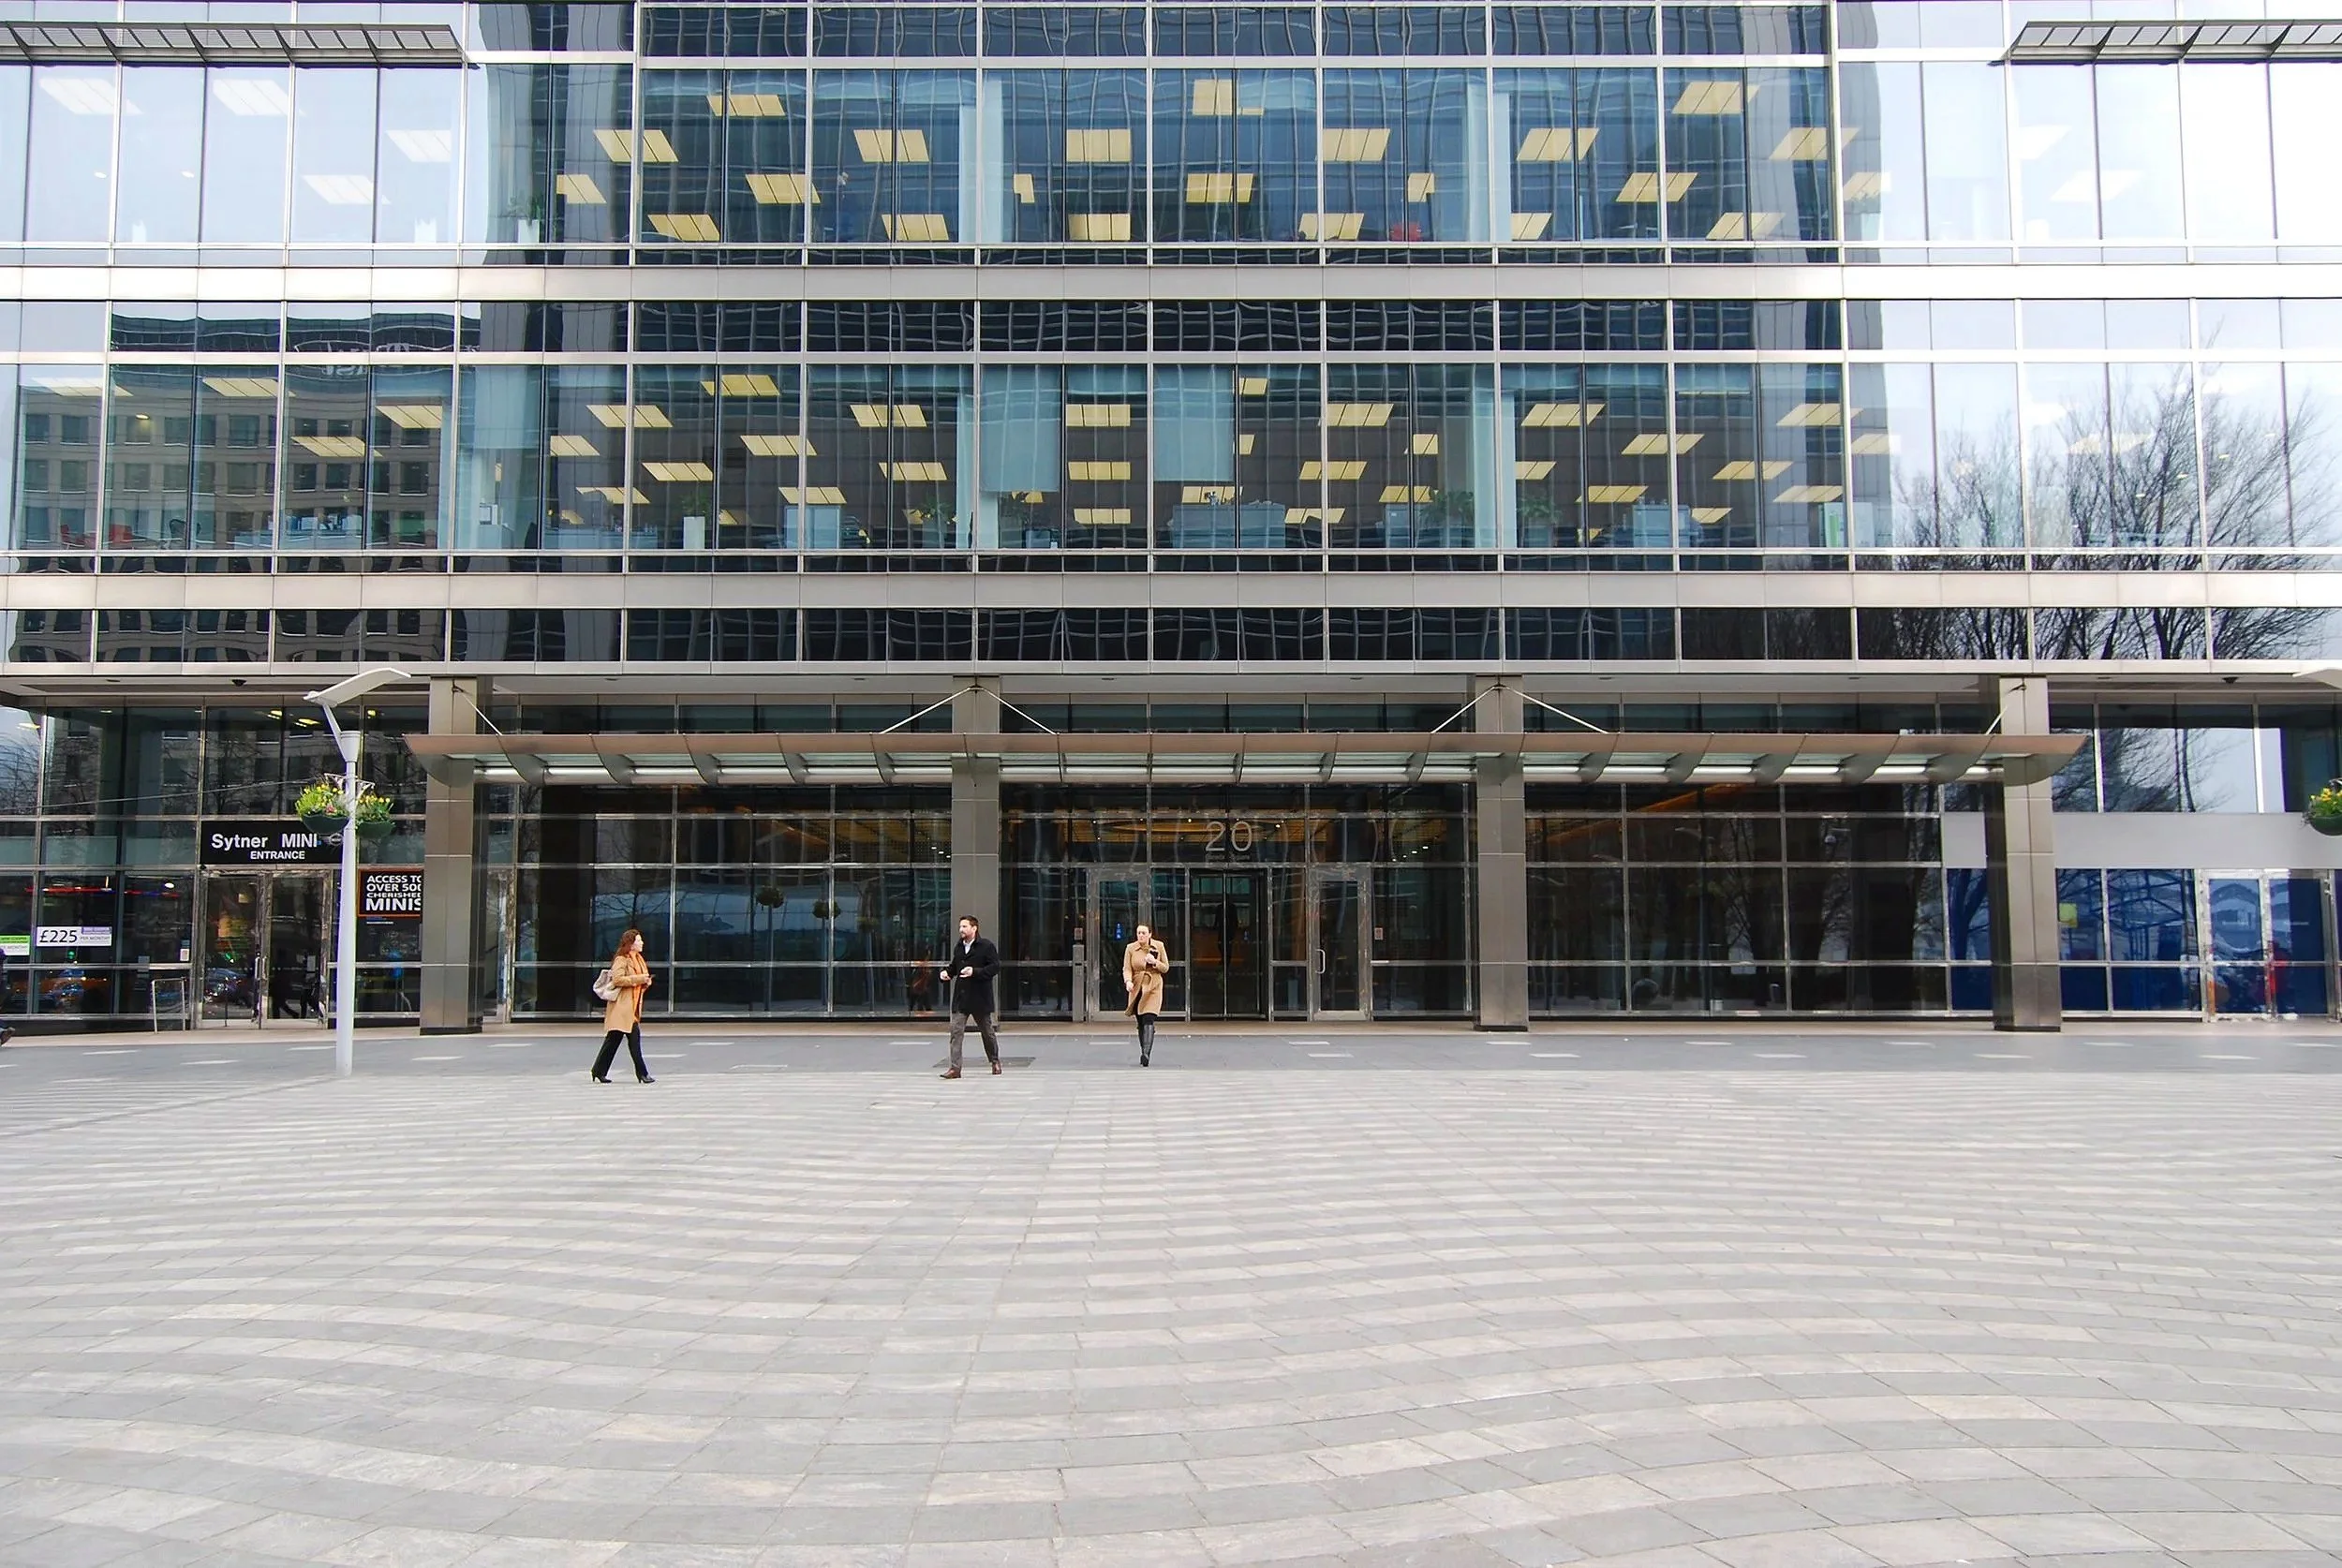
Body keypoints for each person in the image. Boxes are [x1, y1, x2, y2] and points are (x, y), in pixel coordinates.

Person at [938, 914, 1001, 1078]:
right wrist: (947, 973)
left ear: (974, 928)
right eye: (960, 927)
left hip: (980, 997)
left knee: (987, 1031)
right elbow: (955, 966)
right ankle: (955, 1068)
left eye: (965, 927)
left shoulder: (986, 946)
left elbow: (995, 967)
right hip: (961, 997)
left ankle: (994, 1060)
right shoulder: (959, 947)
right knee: (955, 1032)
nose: (961, 930)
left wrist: (975, 971)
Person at [590, 928, 656, 1084]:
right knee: (634, 1041)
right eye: (639, 940)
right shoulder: (622, 959)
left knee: (612, 1041)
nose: (642, 943)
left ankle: (598, 1071)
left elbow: (639, 981)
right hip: (622, 1008)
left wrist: (646, 981)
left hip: (632, 1005)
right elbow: (618, 980)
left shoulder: (638, 959)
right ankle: (643, 1073)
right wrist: (640, 979)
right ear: (631, 943)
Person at [1122, 923, 1168, 1067]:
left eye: (1143, 933)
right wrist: (1128, 981)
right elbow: (1127, 968)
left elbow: (1166, 967)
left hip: (1153, 986)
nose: (1140, 935)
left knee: (1149, 1018)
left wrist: (1155, 962)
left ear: (1150, 934)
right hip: (1137, 987)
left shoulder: (1158, 946)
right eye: (1138, 933)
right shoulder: (1130, 948)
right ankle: (1144, 1050)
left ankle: (1146, 1054)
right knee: (1141, 1022)